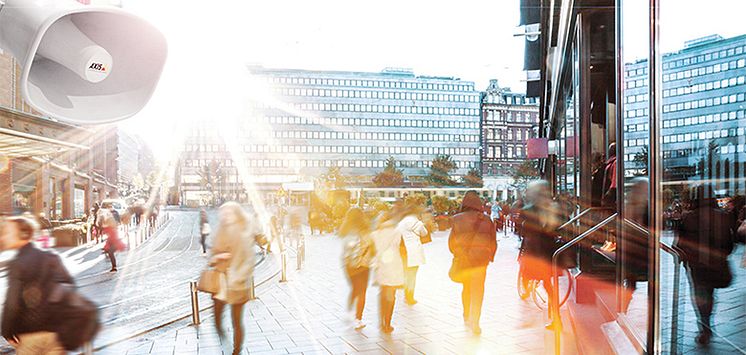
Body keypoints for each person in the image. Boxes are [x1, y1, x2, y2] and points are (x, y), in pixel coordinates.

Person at [1, 216, 70, 354]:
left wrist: (6, 331)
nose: (3, 237)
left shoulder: (17, 263)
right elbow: (68, 289)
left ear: (23, 234)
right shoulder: (51, 256)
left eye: (8, 232)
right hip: (56, 332)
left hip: (30, 336)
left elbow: (12, 303)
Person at [676, 185, 735, 345]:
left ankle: (704, 326)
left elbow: (680, 242)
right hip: (715, 263)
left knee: (700, 294)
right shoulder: (722, 216)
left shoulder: (688, 217)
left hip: (697, 264)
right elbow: (730, 244)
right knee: (710, 294)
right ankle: (707, 324)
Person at [209, 202, 258, 355]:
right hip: (221, 283)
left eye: (229, 213)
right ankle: (223, 338)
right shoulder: (221, 230)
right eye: (223, 213)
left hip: (238, 284)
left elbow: (249, 260)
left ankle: (236, 351)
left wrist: (238, 278)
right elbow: (212, 255)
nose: (225, 216)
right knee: (216, 319)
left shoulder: (243, 232)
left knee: (236, 321)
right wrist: (218, 256)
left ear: (237, 214)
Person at [448, 191, 497, 335]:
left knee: (466, 288)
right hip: (481, 263)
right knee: (478, 291)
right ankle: (475, 322)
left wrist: (458, 254)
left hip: (464, 261)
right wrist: (489, 257)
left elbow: (451, 243)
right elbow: (493, 242)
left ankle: (466, 315)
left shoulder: (456, 219)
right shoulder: (487, 220)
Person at [519, 180, 561, 329]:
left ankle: (557, 320)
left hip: (537, 253)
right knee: (550, 286)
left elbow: (526, 232)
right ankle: (556, 319)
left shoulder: (530, 209)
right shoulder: (553, 207)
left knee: (545, 284)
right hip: (550, 253)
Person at [339, 207, 375, 330]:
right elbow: (372, 247)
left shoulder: (345, 230)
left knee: (354, 288)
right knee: (362, 292)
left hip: (348, 265)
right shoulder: (366, 231)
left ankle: (349, 312)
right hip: (362, 265)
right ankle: (358, 319)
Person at [370, 209, 405, 334]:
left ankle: (381, 322)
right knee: (391, 296)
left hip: (381, 265)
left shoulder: (374, 234)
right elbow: (401, 248)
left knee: (382, 294)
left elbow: (372, 251)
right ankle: (388, 324)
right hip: (394, 265)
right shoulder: (397, 232)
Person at [397, 204, 428, 306]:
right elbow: (424, 233)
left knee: (406, 273)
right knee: (412, 275)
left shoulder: (401, 222)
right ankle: (410, 297)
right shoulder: (418, 223)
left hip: (404, 251)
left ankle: (406, 294)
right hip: (414, 252)